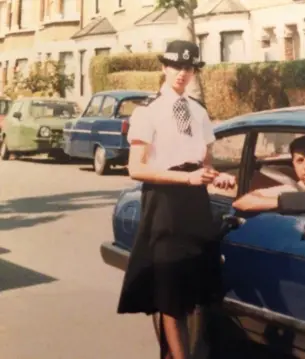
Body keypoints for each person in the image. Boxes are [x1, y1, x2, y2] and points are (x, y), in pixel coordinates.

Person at [116, 39, 235, 359]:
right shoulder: (148, 112)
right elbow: (136, 168)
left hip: (195, 206)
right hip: (164, 206)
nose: (182, 73)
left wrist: (216, 176)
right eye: (176, 66)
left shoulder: (199, 112)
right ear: (163, 68)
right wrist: (187, 178)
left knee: (194, 291)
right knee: (170, 295)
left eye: (189, 67)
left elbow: (205, 165)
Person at [233, 135, 305, 212]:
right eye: (300, 161)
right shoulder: (291, 191)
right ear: (293, 164)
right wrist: (289, 202)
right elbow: (242, 203)